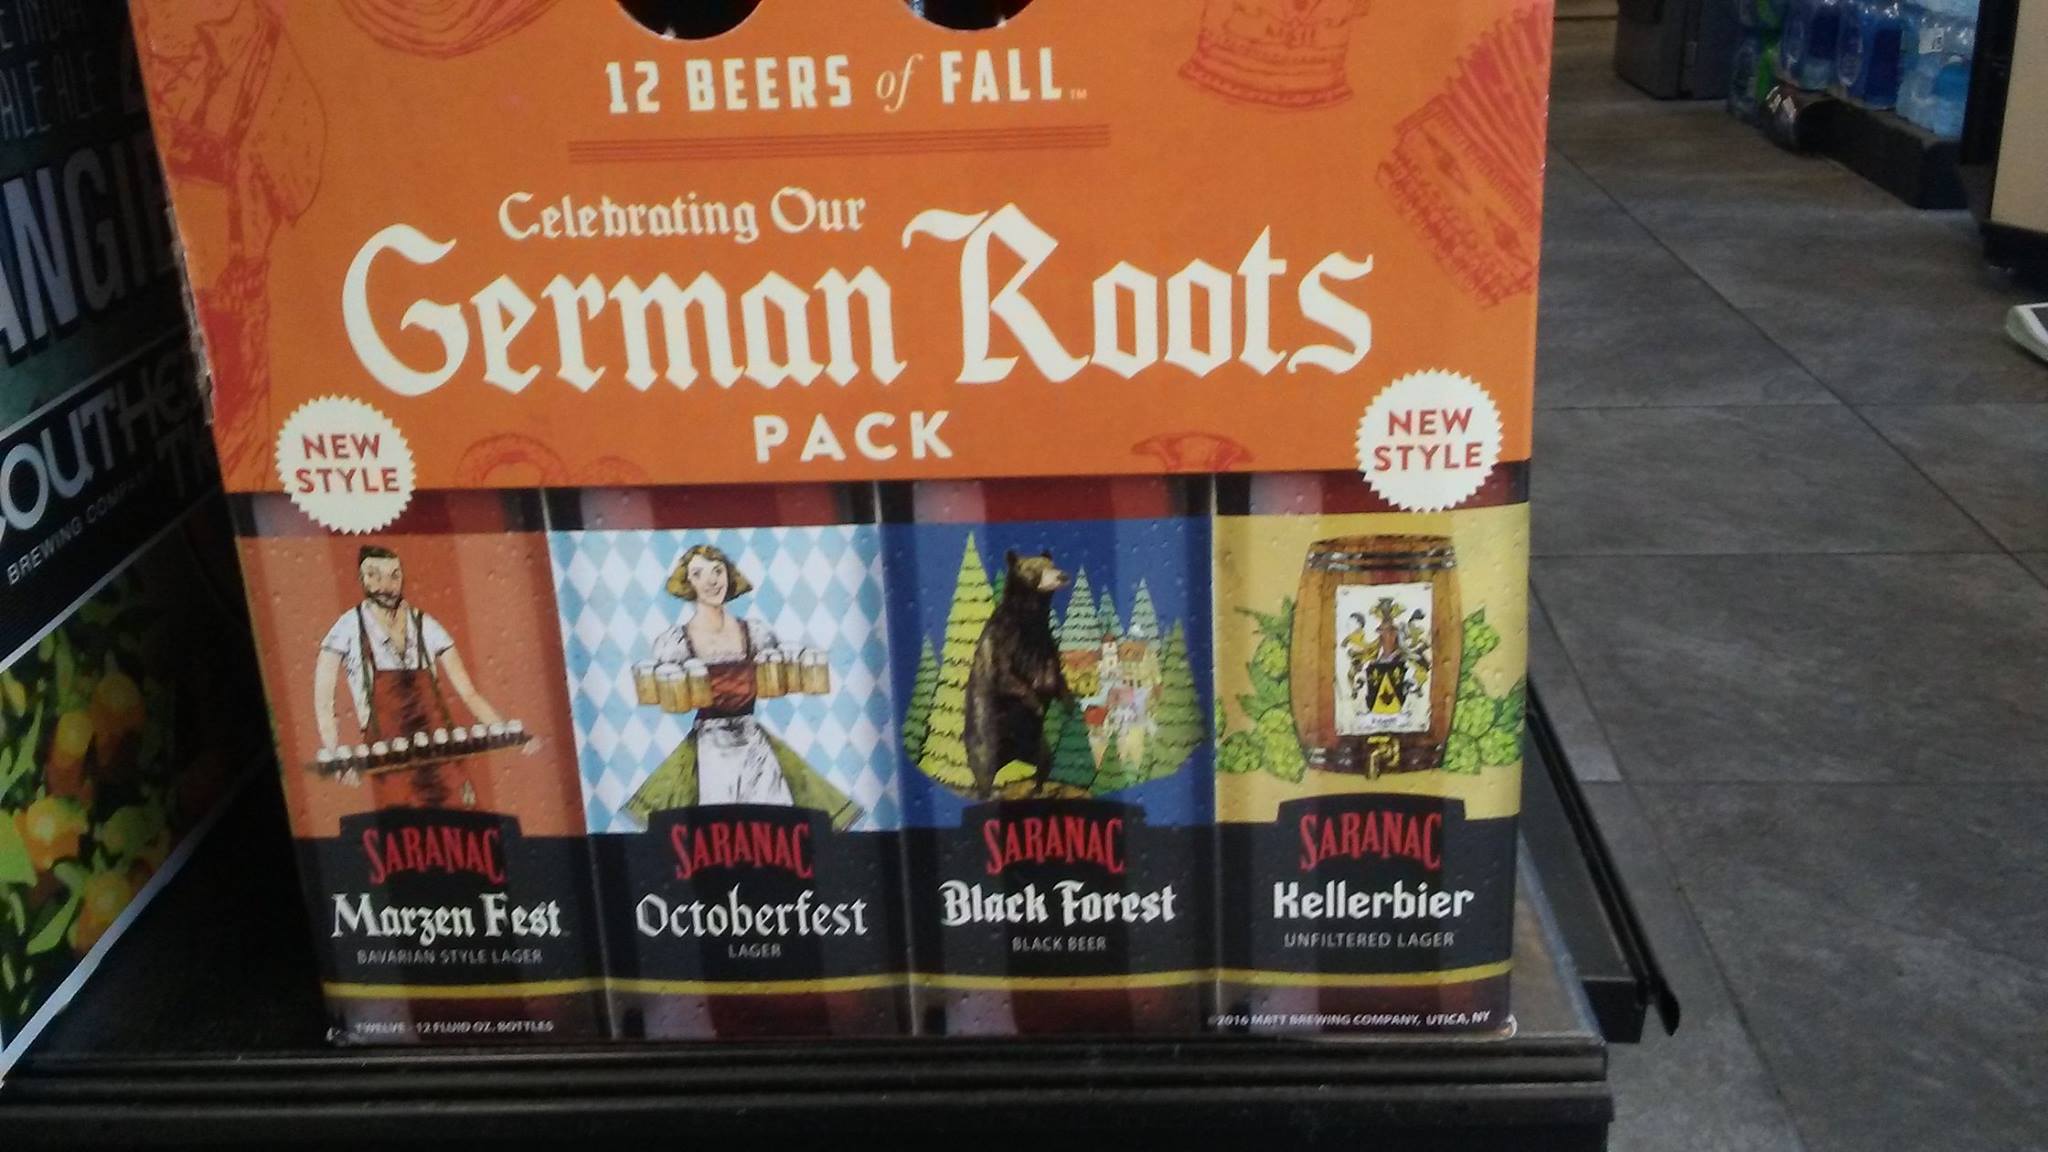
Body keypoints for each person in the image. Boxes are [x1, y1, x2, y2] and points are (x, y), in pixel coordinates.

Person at [623, 544, 858, 830]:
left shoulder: (755, 632)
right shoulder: (676, 642)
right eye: (698, 574)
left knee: (774, 816)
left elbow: (781, 675)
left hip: (752, 740)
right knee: (717, 821)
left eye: (718, 571)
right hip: (710, 745)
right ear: (688, 583)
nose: (711, 581)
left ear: (729, 575)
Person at [313, 546, 510, 807]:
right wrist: (334, 754)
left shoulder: (425, 625)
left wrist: (508, 732)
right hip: (388, 763)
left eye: (394, 575)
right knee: (402, 825)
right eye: (374, 575)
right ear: (361, 578)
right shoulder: (347, 628)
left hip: (442, 759)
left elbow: (469, 693)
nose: (386, 586)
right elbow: (324, 701)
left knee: (462, 824)